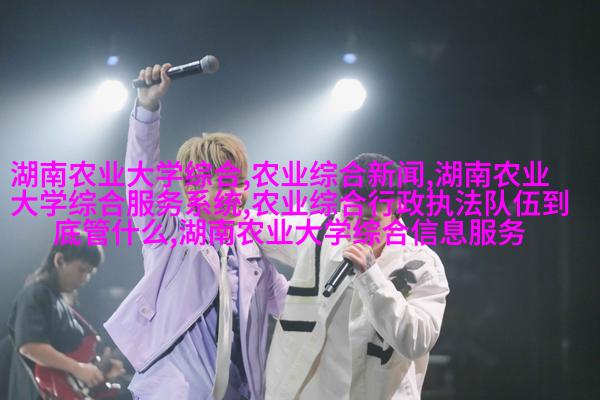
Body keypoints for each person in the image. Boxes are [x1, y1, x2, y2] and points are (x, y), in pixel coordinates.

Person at [104, 63, 288, 400]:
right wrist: (147, 110)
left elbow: (298, 307)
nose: (236, 192)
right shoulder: (170, 235)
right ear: (192, 188)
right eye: (223, 183)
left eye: (240, 182)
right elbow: (141, 183)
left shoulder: (254, 253)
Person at [255, 153, 450, 399]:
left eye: (369, 219)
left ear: (397, 208)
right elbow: (251, 226)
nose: (356, 228)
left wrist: (372, 278)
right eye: (348, 216)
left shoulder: (421, 264)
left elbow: (416, 341)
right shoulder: (320, 235)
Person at [6, 232, 125, 400]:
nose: (85, 278)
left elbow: (68, 367)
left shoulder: (61, 302)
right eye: (81, 269)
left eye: (90, 272)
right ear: (59, 260)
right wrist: (78, 369)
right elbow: (30, 346)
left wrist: (100, 372)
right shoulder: (36, 294)